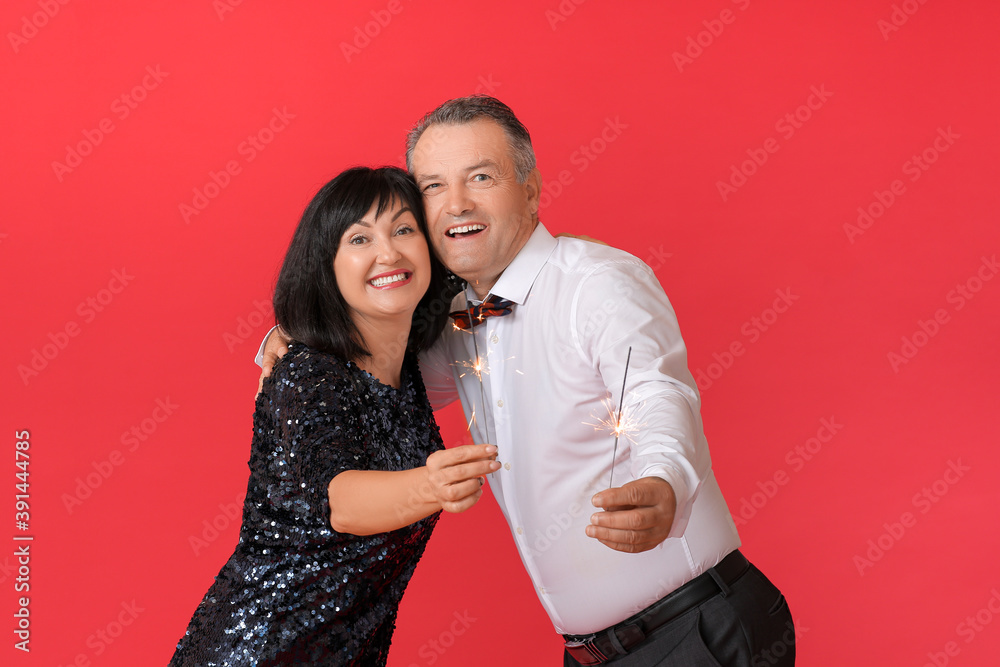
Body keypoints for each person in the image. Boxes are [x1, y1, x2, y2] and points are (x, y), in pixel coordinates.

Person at [261, 97, 795, 666]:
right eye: (434, 186)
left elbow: (656, 394)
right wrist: (296, 336)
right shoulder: (454, 321)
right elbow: (373, 377)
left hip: (692, 631)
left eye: (481, 177)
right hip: (596, 653)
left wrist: (665, 482)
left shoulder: (597, 281)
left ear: (532, 188)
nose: (457, 203)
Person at [171, 166, 499, 666]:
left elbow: (507, 261)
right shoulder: (309, 374)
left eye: (404, 229)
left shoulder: (407, 358)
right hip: (257, 652)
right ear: (327, 264)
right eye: (359, 238)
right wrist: (432, 486)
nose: (388, 253)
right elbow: (341, 501)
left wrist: (565, 257)